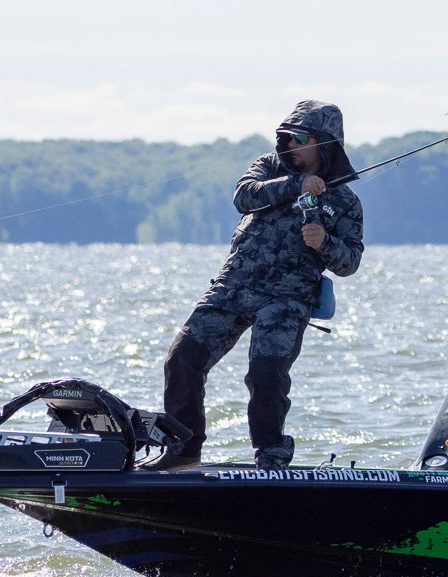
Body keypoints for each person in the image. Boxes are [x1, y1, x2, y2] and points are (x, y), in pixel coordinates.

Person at [146, 100, 364, 472]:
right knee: (182, 358)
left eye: (298, 138)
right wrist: (296, 184)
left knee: (266, 374)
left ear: (324, 143)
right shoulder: (266, 168)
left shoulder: (345, 201)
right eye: (285, 137)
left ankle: (271, 453)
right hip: (234, 285)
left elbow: (350, 262)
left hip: (287, 298)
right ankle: (184, 451)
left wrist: (323, 242)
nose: (289, 144)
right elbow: (243, 196)